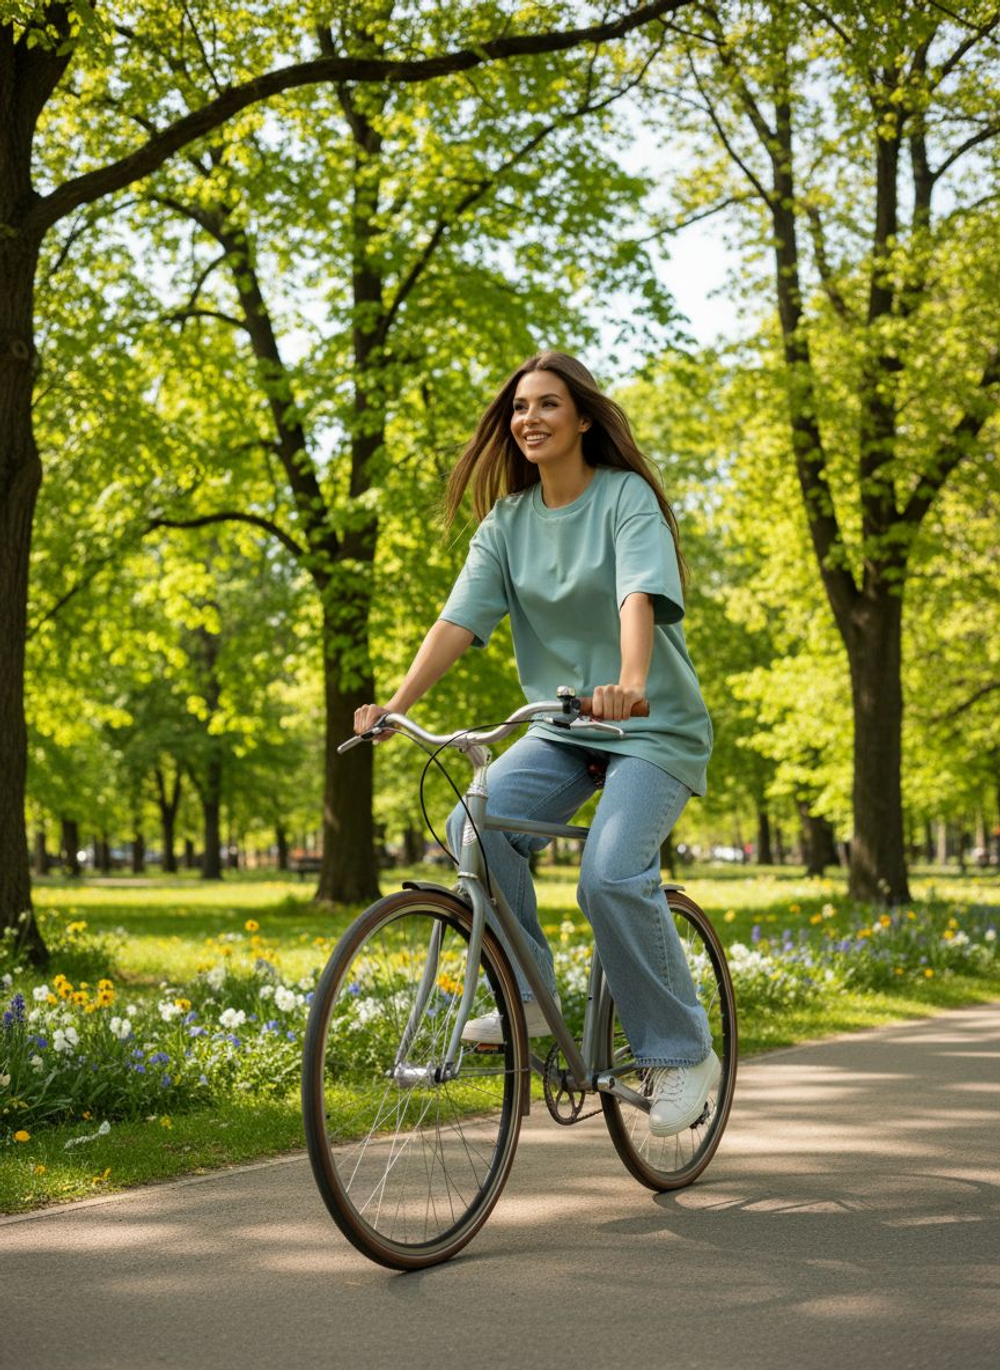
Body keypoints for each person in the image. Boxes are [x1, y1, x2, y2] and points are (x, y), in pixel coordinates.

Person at [353, 350, 717, 1136]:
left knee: (611, 875)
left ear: (583, 417)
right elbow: (458, 622)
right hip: (561, 727)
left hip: (649, 728)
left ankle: (682, 1051)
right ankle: (526, 998)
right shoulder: (507, 524)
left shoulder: (625, 500)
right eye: (520, 408)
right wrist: (396, 704)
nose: (530, 420)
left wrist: (628, 680)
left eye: (549, 405)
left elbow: (636, 596)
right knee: (473, 828)